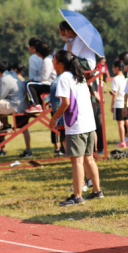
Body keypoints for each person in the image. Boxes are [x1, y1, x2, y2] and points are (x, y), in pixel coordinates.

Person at [50, 50, 103, 206]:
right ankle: (97, 191)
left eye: (54, 59)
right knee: (89, 159)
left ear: (59, 63)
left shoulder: (63, 78)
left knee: (77, 162)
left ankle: (78, 196)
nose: (52, 62)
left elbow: (65, 103)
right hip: (88, 123)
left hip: (76, 125)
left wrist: (54, 118)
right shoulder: (78, 76)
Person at [25, 42, 57, 113]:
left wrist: (34, 79)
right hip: (50, 82)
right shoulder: (48, 58)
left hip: (51, 84)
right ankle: (38, 104)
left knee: (29, 84)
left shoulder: (47, 61)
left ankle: (37, 105)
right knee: (31, 84)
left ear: (38, 53)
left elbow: (44, 77)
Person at [110, 60, 128, 148]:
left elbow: (114, 94)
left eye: (113, 67)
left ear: (117, 68)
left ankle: (123, 142)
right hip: (127, 103)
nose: (112, 69)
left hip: (119, 104)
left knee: (121, 124)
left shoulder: (115, 79)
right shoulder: (126, 78)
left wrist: (112, 105)